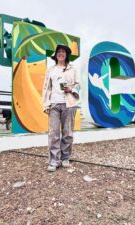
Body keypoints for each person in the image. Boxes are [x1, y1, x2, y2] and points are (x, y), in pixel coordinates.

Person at [42, 44, 80, 172]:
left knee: (67, 132)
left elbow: (79, 85)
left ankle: (65, 157)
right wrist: (46, 104)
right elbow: (46, 88)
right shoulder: (50, 70)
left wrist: (72, 89)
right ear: (56, 55)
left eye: (63, 52)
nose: (61, 53)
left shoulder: (72, 69)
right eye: (59, 51)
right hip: (54, 104)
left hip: (69, 104)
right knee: (53, 134)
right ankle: (53, 160)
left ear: (66, 55)